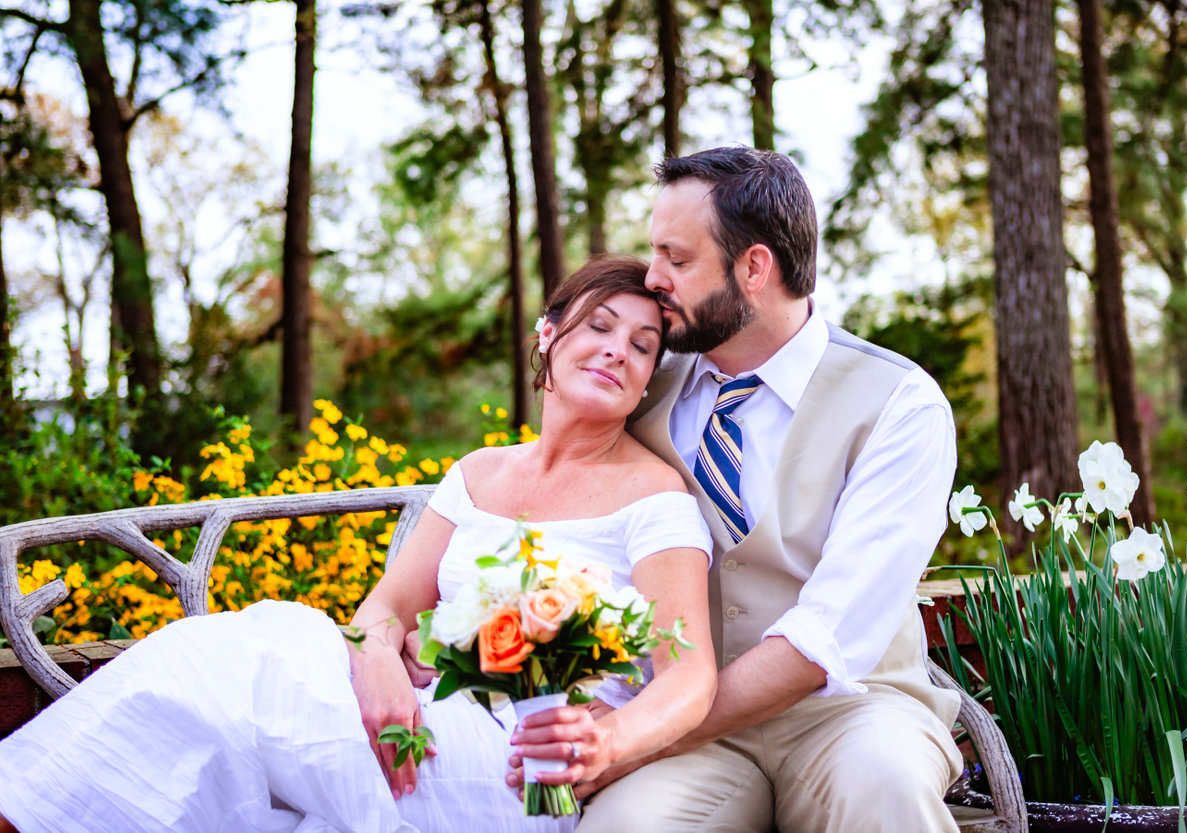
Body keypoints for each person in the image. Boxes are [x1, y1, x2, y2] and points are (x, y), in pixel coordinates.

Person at [0, 256, 717, 833]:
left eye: (642, 345)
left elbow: (689, 678)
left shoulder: (654, 498)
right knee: (238, 693)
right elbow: (386, 606)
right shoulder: (476, 472)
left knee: (218, 678)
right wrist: (375, 654)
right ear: (548, 333)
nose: (618, 350)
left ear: (648, 378)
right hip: (409, 709)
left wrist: (609, 739)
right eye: (600, 325)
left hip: (519, 762)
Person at [561, 147, 964, 833]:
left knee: (890, 789)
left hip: (854, 711)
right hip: (694, 736)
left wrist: (637, 732)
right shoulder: (643, 383)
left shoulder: (900, 403)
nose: (652, 278)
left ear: (753, 268)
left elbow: (826, 637)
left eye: (677, 259)